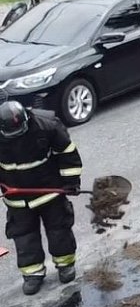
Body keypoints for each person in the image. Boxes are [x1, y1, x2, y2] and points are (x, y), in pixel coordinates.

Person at [0, 101, 83, 296]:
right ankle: (33, 274)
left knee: (59, 229)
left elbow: (67, 153)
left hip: (50, 191)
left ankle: (65, 265)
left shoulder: (47, 125)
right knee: (24, 236)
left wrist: (71, 182)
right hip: (17, 198)